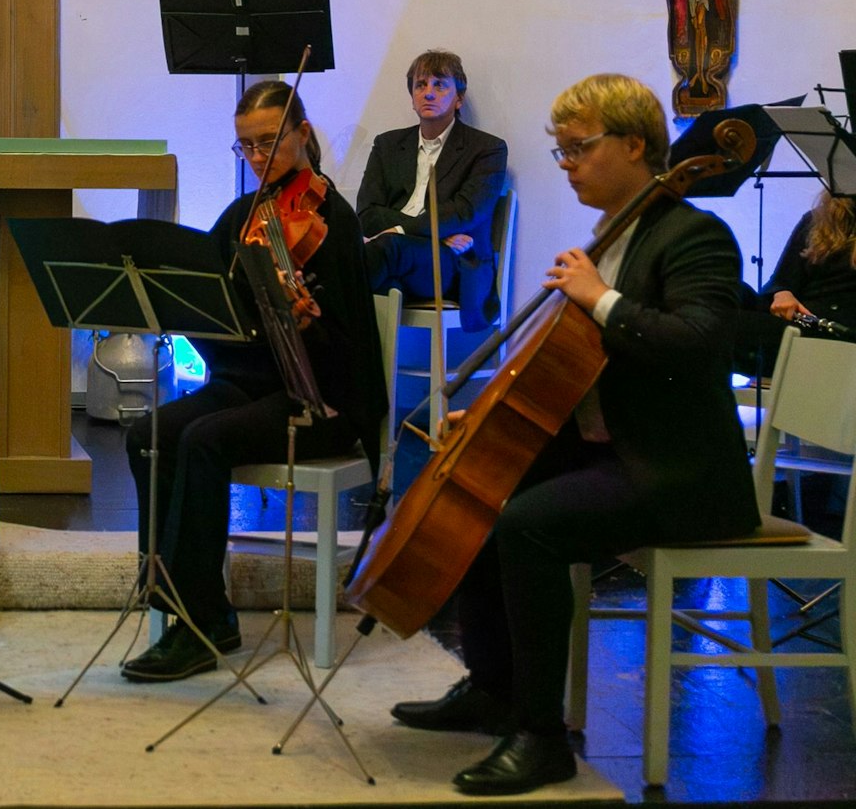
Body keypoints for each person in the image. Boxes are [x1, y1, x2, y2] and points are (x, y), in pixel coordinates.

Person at [388, 74, 758, 796]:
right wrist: (496, 419)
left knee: (529, 524)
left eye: (579, 149)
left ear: (633, 144)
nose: (568, 164)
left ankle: (541, 735)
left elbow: (700, 342)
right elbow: (580, 377)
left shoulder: (694, 235)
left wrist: (601, 297)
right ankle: (493, 687)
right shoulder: (612, 238)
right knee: (485, 479)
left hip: (679, 470)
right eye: (560, 153)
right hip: (614, 449)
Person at [119, 79, 387, 682]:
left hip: (320, 399)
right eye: (246, 147)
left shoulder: (334, 222)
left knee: (204, 441)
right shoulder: (244, 216)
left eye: (270, 142)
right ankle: (175, 594)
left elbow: (351, 352)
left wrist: (307, 326)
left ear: (304, 135)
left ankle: (201, 623)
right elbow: (203, 293)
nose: (258, 158)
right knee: (146, 435)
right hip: (251, 384)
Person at [355, 49, 509, 331]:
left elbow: (464, 213)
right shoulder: (387, 145)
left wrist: (398, 230)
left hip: (453, 265)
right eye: (420, 85)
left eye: (440, 85)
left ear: (458, 98)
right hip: (399, 261)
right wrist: (430, 234)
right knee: (376, 265)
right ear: (412, 97)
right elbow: (367, 214)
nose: (428, 93)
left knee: (384, 249)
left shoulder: (487, 149)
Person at [735, 189, 856, 376]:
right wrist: (783, 293)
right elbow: (781, 281)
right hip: (799, 320)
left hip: (835, 333)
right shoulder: (816, 219)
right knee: (727, 288)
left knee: (725, 323)